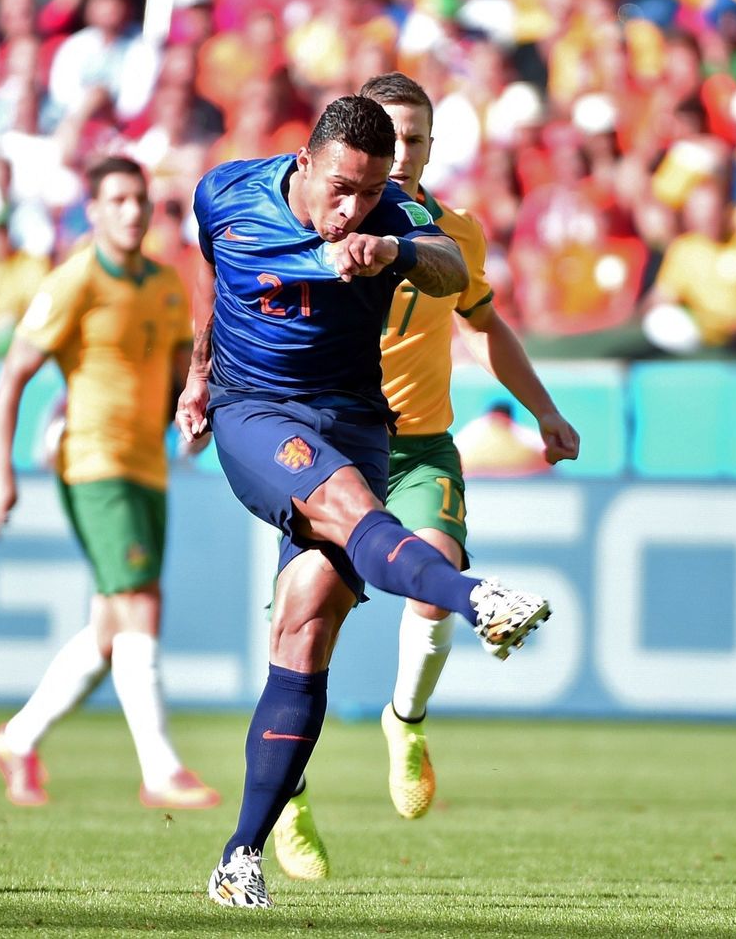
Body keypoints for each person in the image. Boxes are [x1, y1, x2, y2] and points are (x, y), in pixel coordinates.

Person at [184, 96, 554, 909]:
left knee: (307, 620)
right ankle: (476, 598)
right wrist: (198, 374)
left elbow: (448, 267)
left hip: (355, 418)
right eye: (342, 188)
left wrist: (393, 249)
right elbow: (210, 274)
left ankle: (239, 856)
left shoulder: (391, 216)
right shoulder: (224, 191)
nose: (352, 208)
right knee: (348, 503)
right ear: (304, 163)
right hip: (257, 413)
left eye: (372, 190)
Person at [268, 72, 580, 882]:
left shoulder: (453, 235)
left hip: (416, 446)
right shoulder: (311, 219)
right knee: (309, 622)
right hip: (330, 449)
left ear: (432, 148)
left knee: (435, 571)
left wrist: (544, 410)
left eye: (413, 139)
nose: (399, 152)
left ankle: (405, 720)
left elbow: (485, 324)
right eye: (387, 135)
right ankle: (287, 798)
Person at [0, 156, 219, 810]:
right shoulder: (74, 280)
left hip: (148, 465)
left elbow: (180, 380)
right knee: (140, 603)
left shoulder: (166, 284)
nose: (131, 210)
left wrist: (192, 417)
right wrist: (2, 468)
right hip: (94, 464)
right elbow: (14, 374)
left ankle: (18, 739)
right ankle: (161, 770)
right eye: (117, 199)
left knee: (110, 623)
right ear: (92, 210)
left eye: (139, 199)